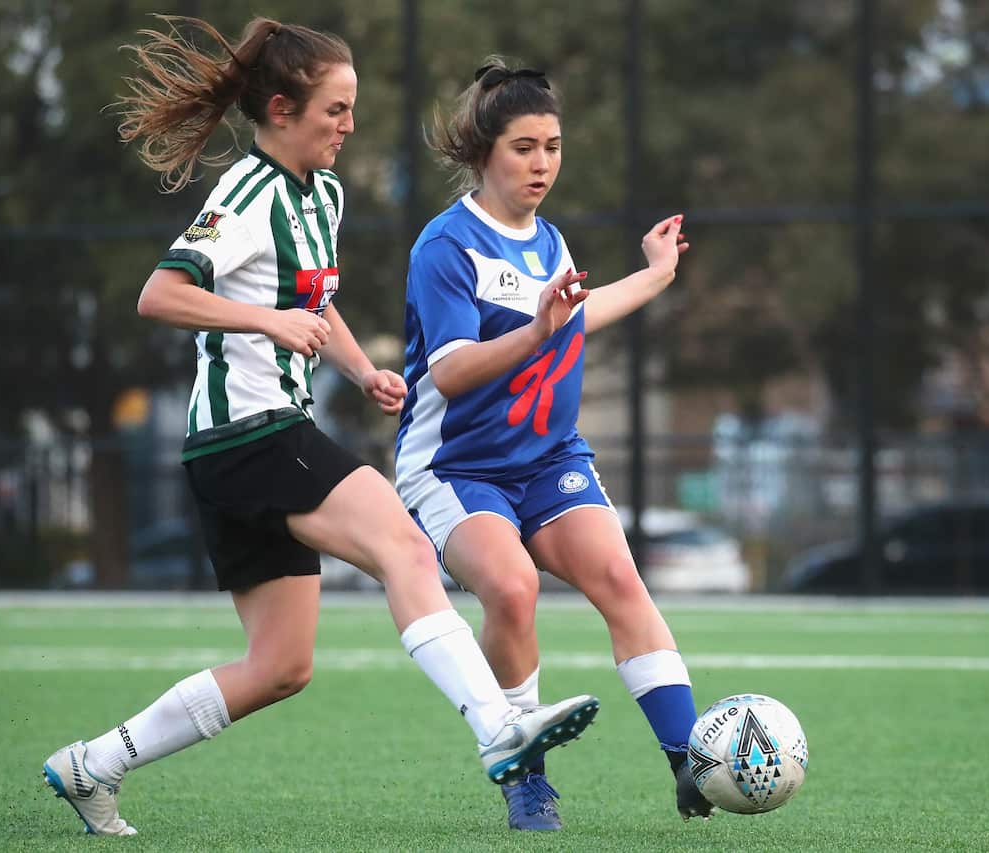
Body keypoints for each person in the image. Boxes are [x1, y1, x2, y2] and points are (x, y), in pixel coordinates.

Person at [41, 20, 598, 837]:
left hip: (251, 444)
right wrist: (266, 322)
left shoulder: (322, 194)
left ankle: (94, 762)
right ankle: (499, 731)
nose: (348, 125)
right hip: (249, 432)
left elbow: (314, 300)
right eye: (335, 110)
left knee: (280, 666)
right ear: (281, 109)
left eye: (351, 108)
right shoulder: (246, 196)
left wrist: (359, 368)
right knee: (406, 548)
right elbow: (160, 295)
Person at [395, 58, 711, 831]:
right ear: (483, 151)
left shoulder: (548, 240)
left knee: (620, 577)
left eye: (553, 146)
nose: (542, 163)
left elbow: (574, 317)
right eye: (524, 147)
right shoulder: (445, 247)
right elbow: (453, 370)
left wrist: (656, 274)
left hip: (547, 458)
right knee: (511, 589)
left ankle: (691, 760)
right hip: (455, 467)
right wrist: (536, 328)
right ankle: (525, 775)